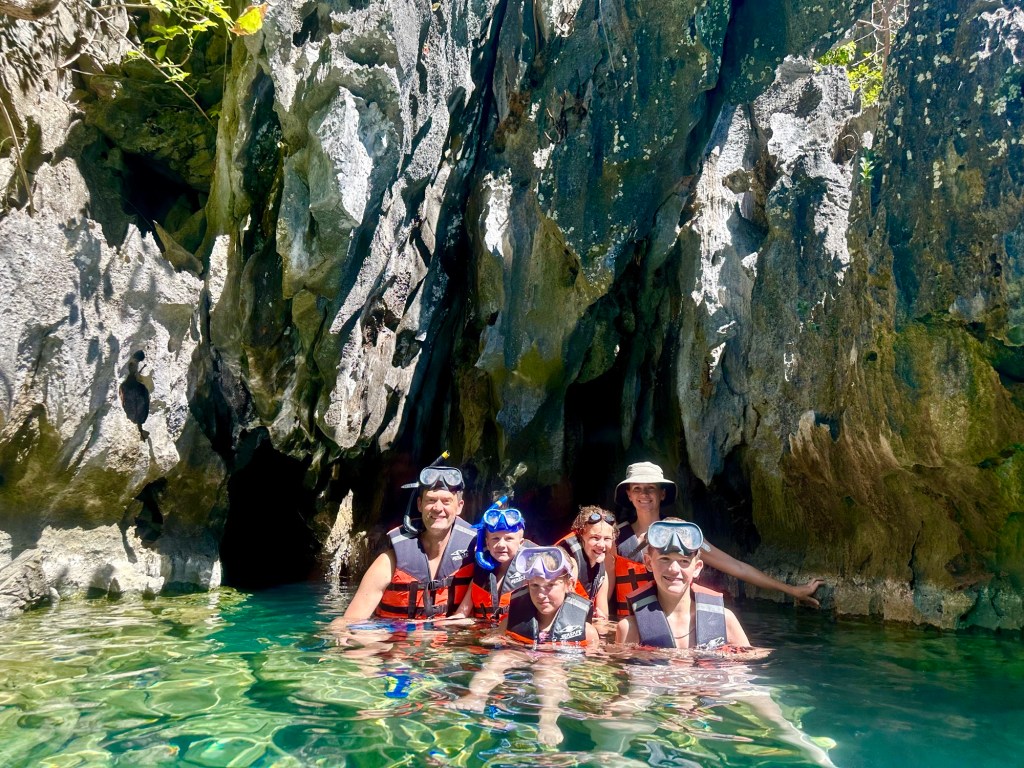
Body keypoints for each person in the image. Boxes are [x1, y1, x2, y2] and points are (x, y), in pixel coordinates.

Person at [611, 461, 824, 617]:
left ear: (662, 494)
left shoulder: (686, 535)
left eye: (651, 488)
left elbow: (737, 567)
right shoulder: (615, 537)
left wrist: (791, 590)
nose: (644, 494)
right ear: (629, 495)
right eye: (637, 489)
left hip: (671, 625)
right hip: (627, 624)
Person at [333, 463, 476, 623]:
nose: (437, 508)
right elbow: (347, 622)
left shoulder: (478, 555)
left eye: (446, 501)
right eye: (431, 500)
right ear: (419, 504)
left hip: (455, 638)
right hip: (398, 636)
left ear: (459, 507)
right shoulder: (389, 561)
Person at [615, 519, 748, 648]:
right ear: (649, 563)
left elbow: (748, 661)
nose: (674, 569)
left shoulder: (725, 621)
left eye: (684, 561)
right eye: (664, 559)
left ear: (697, 568)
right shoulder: (630, 628)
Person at [498, 546, 600, 647]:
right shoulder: (508, 625)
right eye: (535, 585)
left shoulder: (587, 633)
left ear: (569, 584)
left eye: (550, 585)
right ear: (527, 585)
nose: (541, 595)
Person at [448, 505, 535, 623]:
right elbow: (461, 614)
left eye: (509, 539)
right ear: (487, 543)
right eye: (495, 538)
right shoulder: (480, 574)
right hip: (483, 631)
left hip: (512, 633)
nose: (501, 545)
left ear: (521, 543)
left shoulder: (531, 574)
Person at [555, 506, 616, 621]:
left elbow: (604, 617)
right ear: (581, 534)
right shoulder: (570, 564)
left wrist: (599, 618)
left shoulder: (602, 575)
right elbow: (566, 615)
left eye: (607, 539)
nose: (601, 545)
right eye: (595, 538)